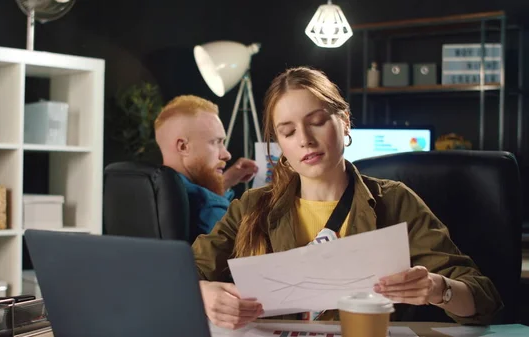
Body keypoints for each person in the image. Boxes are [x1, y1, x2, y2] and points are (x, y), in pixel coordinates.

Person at [191, 67, 503, 330]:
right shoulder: (250, 206)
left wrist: (438, 289)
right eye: (288, 131)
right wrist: (203, 293)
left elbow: (484, 300)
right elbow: (182, 273)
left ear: (344, 121)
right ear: (279, 144)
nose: (305, 140)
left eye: (316, 122)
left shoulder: (395, 202)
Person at [154, 95, 259, 242]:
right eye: (216, 142)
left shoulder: (149, 192)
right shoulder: (207, 207)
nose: (227, 155)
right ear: (183, 147)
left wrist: (225, 181)